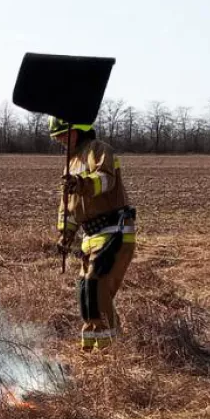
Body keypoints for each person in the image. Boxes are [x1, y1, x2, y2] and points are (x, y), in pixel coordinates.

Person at [51, 117, 135, 351]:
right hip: (90, 236)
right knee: (84, 292)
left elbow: (106, 180)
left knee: (96, 286)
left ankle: (111, 352)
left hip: (114, 230)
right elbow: (66, 206)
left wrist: (82, 183)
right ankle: (90, 350)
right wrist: (65, 234)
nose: (60, 140)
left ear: (79, 129)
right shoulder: (70, 164)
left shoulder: (100, 150)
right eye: (57, 137)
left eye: (63, 135)